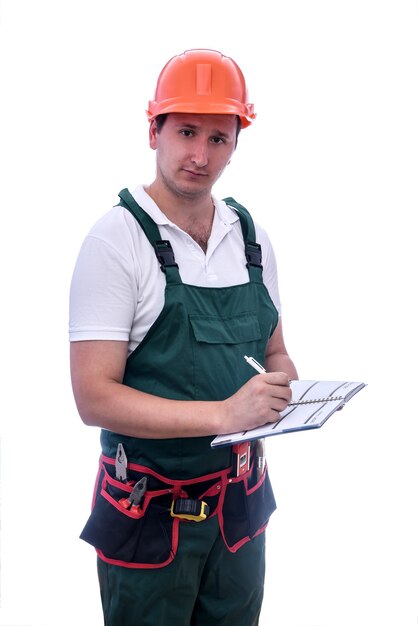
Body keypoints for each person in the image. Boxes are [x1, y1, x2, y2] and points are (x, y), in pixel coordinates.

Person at [69, 48, 298, 626]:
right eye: (187, 132)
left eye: (218, 138)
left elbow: (275, 353)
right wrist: (224, 414)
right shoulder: (116, 241)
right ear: (154, 130)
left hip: (240, 513)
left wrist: (285, 391)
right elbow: (93, 397)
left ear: (237, 141)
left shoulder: (251, 239)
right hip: (149, 517)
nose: (200, 155)